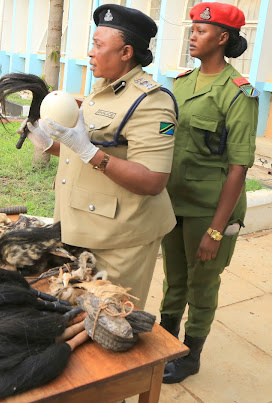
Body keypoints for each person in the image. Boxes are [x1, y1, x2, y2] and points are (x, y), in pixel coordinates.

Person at [25, 4, 178, 310]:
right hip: (83, 227)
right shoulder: (102, 90)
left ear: (126, 52)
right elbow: (90, 148)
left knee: (111, 317)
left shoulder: (152, 103)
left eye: (98, 45)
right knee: (81, 315)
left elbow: (152, 180)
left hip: (121, 239)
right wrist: (49, 144)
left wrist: (90, 153)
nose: (90, 53)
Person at [158, 2, 258, 384]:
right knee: (174, 279)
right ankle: (166, 345)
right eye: (192, 30)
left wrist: (217, 231)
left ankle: (191, 356)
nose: (192, 35)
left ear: (223, 38)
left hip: (210, 209)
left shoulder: (237, 93)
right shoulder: (180, 83)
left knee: (202, 284)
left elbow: (238, 168)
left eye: (201, 31)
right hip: (174, 202)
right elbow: (166, 138)